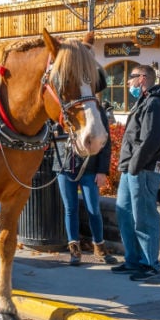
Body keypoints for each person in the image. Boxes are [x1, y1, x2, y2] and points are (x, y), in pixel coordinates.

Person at [111, 64, 160, 282]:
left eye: (132, 77)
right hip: (132, 167)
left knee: (144, 215)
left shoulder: (155, 103)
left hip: (144, 167)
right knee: (124, 213)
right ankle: (133, 260)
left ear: (143, 78)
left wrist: (135, 164)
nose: (129, 82)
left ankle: (149, 264)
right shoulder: (144, 101)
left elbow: (151, 140)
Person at [53, 104, 115, 266]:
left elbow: (105, 141)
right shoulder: (58, 108)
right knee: (70, 208)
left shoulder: (96, 109)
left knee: (93, 208)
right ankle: (74, 248)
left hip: (89, 166)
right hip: (65, 165)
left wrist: (102, 170)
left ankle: (99, 246)